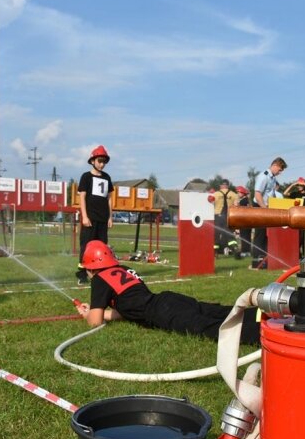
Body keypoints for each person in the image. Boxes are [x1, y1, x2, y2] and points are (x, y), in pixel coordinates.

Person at [76, 241, 260, 344]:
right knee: (217, 311)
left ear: (92, 268)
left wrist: (88, 314)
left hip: (161, 312)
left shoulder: (100, 279)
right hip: (167, 299)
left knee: (209, 328)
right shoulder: (123, 268)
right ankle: (264, 314)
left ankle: (261, 335)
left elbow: (94, 322)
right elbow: (128, 309)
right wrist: (102, 312)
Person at [76, 145, 114, 285]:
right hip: (90, 219)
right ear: (93, 161)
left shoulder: (107, 177)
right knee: (86, 246)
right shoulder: (86, 177)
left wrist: (110, 217)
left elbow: (109, 198)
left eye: (104, 161)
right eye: (99, 160)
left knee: (102, 247)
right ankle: (81, 274)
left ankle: (101, 274)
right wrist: (84, 216)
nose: (102, 164)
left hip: (103, 218)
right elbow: (82, 197)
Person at [251, 157, 287, 269]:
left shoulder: (272, 178)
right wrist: (264, 209)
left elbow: (272, 194)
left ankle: (265, 259)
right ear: (275, 165)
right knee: (259, 235)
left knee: (267, 235)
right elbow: (258, 195)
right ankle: (256, 262)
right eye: (280, 170)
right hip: (260, 206)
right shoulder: (264, 176)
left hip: (267, 207)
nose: (280, 173)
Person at [213, 179, 239, 255]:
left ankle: (215, 252)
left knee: (216, 234)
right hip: (229, 217)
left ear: (220, 186)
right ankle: (234, 248)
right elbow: (237, 206)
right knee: (230, 234)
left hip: (218, 217)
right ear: (228, 185)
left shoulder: (215, 194)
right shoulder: (234, 195)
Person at [235, 185, 253, 257]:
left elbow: (240, 211)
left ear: (242, 193)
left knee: (244, 237)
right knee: (247, 237)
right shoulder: (247, 200)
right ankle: (247, 252)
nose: (238, 194)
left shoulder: (242, 201)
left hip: (243, 221)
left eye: (238, 192)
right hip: (248, 221)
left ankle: (244, 252)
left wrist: (236, 205)